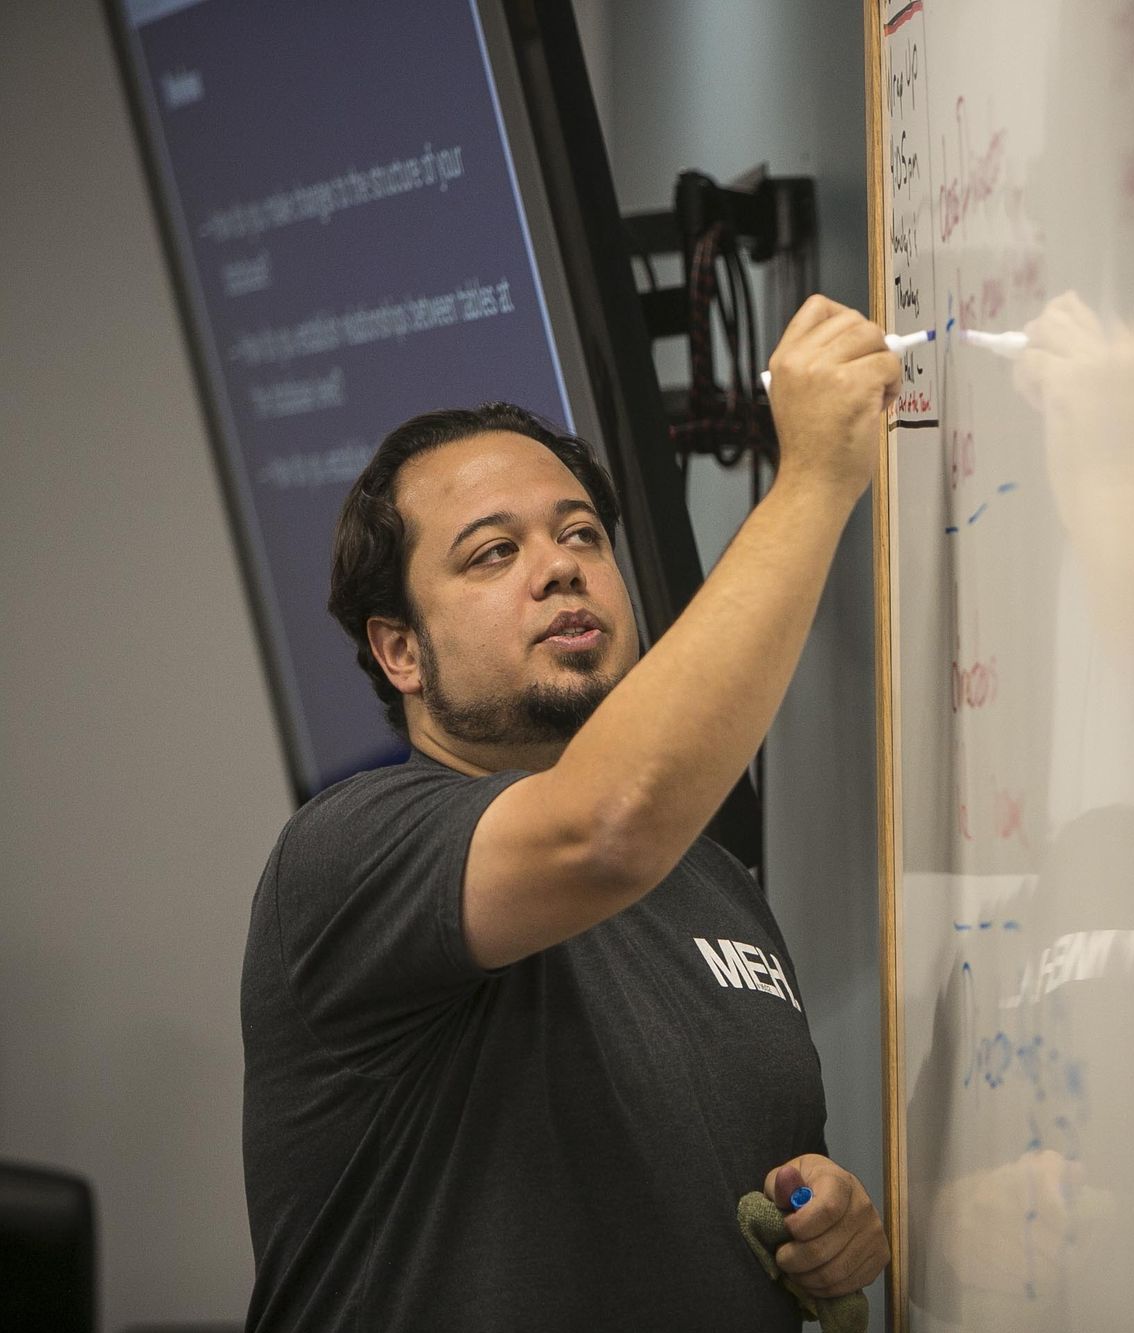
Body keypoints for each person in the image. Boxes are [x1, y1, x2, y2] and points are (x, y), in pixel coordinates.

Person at [239, 296, 900, 1330]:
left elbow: (726, 1214)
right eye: (491, 553)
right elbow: (606, 824)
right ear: (399, 651)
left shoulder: (713, 881)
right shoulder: (351, 847)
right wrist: (814, 476)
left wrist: (832, 1229)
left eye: (580, 532)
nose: (560, 565)